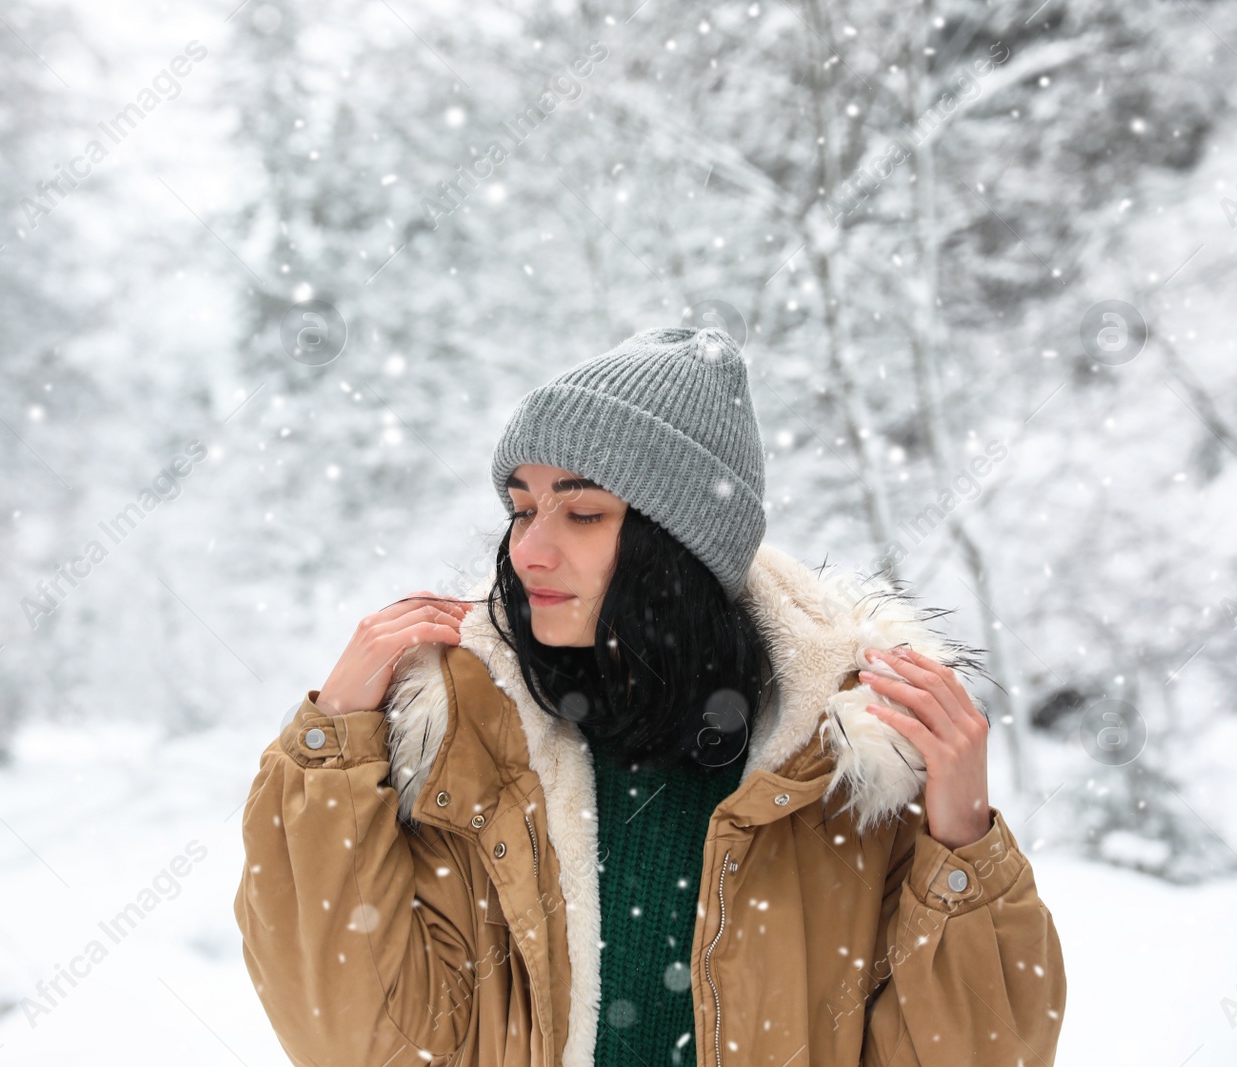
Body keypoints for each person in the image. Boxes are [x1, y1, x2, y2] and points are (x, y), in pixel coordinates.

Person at [234, 325, 1066, 1067]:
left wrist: (962, 844)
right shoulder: (469, 740)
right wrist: (331, 749)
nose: (530, 552)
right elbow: (358, 1040)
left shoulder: (847, 763)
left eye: (583, 512)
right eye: (522, 510)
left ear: (680, 545)